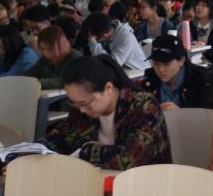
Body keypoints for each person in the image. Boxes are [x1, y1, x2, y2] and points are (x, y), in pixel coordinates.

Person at [40, 54, 171, 170]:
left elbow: (131, 159)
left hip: (144, 183)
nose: (81, 110)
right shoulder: (82, 110)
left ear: (108, 88)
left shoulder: (144, 107)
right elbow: (61, 137)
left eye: (84, 103)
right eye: (75, 103)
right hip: (96, 181)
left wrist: (86, 151)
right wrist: (39, 148)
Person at [139, 34, 212, 110]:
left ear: (181, 60)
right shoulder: (150, 76)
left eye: (166, 64)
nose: (160, 69)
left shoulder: (199, 78)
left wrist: (180, 111)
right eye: (156, 63)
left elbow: (208, 112)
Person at [79, 12, 147, 70]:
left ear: (105, 35)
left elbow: (112, 64)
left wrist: (93, 43)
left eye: (96, 39)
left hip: (138, 73)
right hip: (122, 69)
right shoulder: (108, 27)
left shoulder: (126, 38)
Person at [25, 26, 82, 90]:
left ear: (61, 46)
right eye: (42, 49)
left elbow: (68, 81)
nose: (46, 53)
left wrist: (37, 83)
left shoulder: (76, 58)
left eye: (50, 49)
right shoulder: (45, 59)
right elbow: (29, 74)